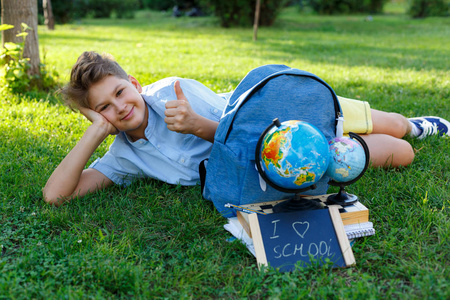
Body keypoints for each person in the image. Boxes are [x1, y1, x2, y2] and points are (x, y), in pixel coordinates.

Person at [43, 51, 450, 206]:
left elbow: (245, 128)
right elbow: (56, 196)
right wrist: (94, 135)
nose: (120, 107)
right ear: (97, 117)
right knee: (398, 155)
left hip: (280, 111)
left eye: (119, 92)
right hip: (277, 161)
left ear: (133, 83)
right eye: (104, 109)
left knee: (397, 128)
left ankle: (415, 124)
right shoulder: (125, 156)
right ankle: (355, 144)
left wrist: (199, 126)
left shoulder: (173, 94)